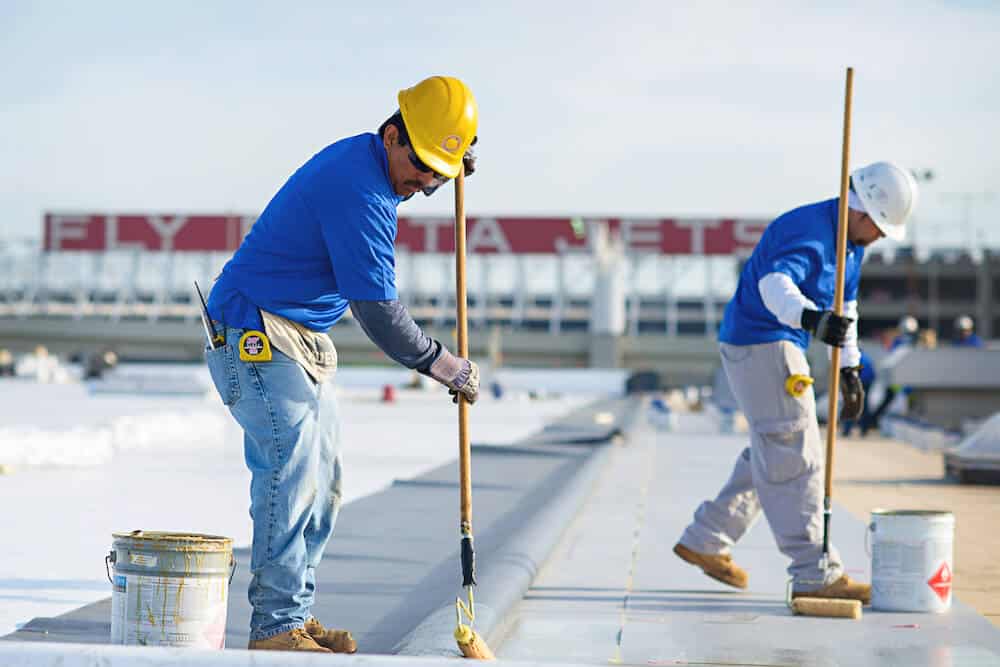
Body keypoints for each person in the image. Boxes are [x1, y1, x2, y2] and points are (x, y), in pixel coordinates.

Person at [203, 76, 481, 654]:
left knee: (323, 484)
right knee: (291, 474)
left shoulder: (382, 167)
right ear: (391, 135)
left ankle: (295, 616)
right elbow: (378, 311)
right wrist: (441, 363)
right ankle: (275, 628)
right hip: (255, 332)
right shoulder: (359, 192)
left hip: (296, 335)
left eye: (439, 174)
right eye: (421, 166)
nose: (425, 183)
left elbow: (431, 162)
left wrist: (447, 163)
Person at [674, 161, 918, 604]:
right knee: (795, 453)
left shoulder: (851, 244)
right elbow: (775, 284)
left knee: (773, 447)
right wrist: (811, 319)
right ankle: (814, 572)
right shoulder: (808, 230)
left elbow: (846, 307)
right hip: (765, 342)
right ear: (863, 212)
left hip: (772, 342)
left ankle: (707, 537)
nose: (881, 237)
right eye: (881, 228)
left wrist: (850, 367)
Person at [841, 349, 875, 437]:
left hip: (858, 382)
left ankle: (847, 430)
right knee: (864, 406)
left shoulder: (855, 358)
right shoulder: (867, 358)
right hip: (866, 383)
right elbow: (872, 373)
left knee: (852, 404)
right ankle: (864, 429)